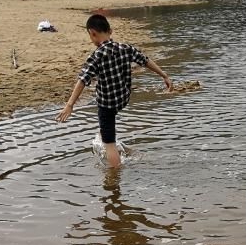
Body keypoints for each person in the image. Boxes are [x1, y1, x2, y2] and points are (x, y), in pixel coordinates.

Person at [56, 13, 173, 168]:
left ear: (93, 33)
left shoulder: (97, 56)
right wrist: (164, 75)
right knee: (105, 128)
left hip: (107, 104)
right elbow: (145, 61)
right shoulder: (125, 48)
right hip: (123, 98)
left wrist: (70, 105)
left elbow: (82, 80)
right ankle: (113, 142)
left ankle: (115, 175)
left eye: (90, 37)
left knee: (109, 143)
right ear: (110, 31)